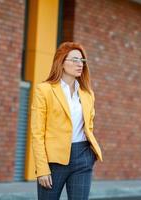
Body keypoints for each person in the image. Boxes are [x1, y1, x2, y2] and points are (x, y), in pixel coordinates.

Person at [31, 42, 103, 200]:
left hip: (82, 156)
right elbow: (37, 133)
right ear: (61, 62)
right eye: (75, 60)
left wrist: (90, 155)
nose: (80, 64)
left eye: (82, 61)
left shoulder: (87, 94)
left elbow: (88, 126)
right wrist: (42, 168)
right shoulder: (44, 90)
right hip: (54, 159)